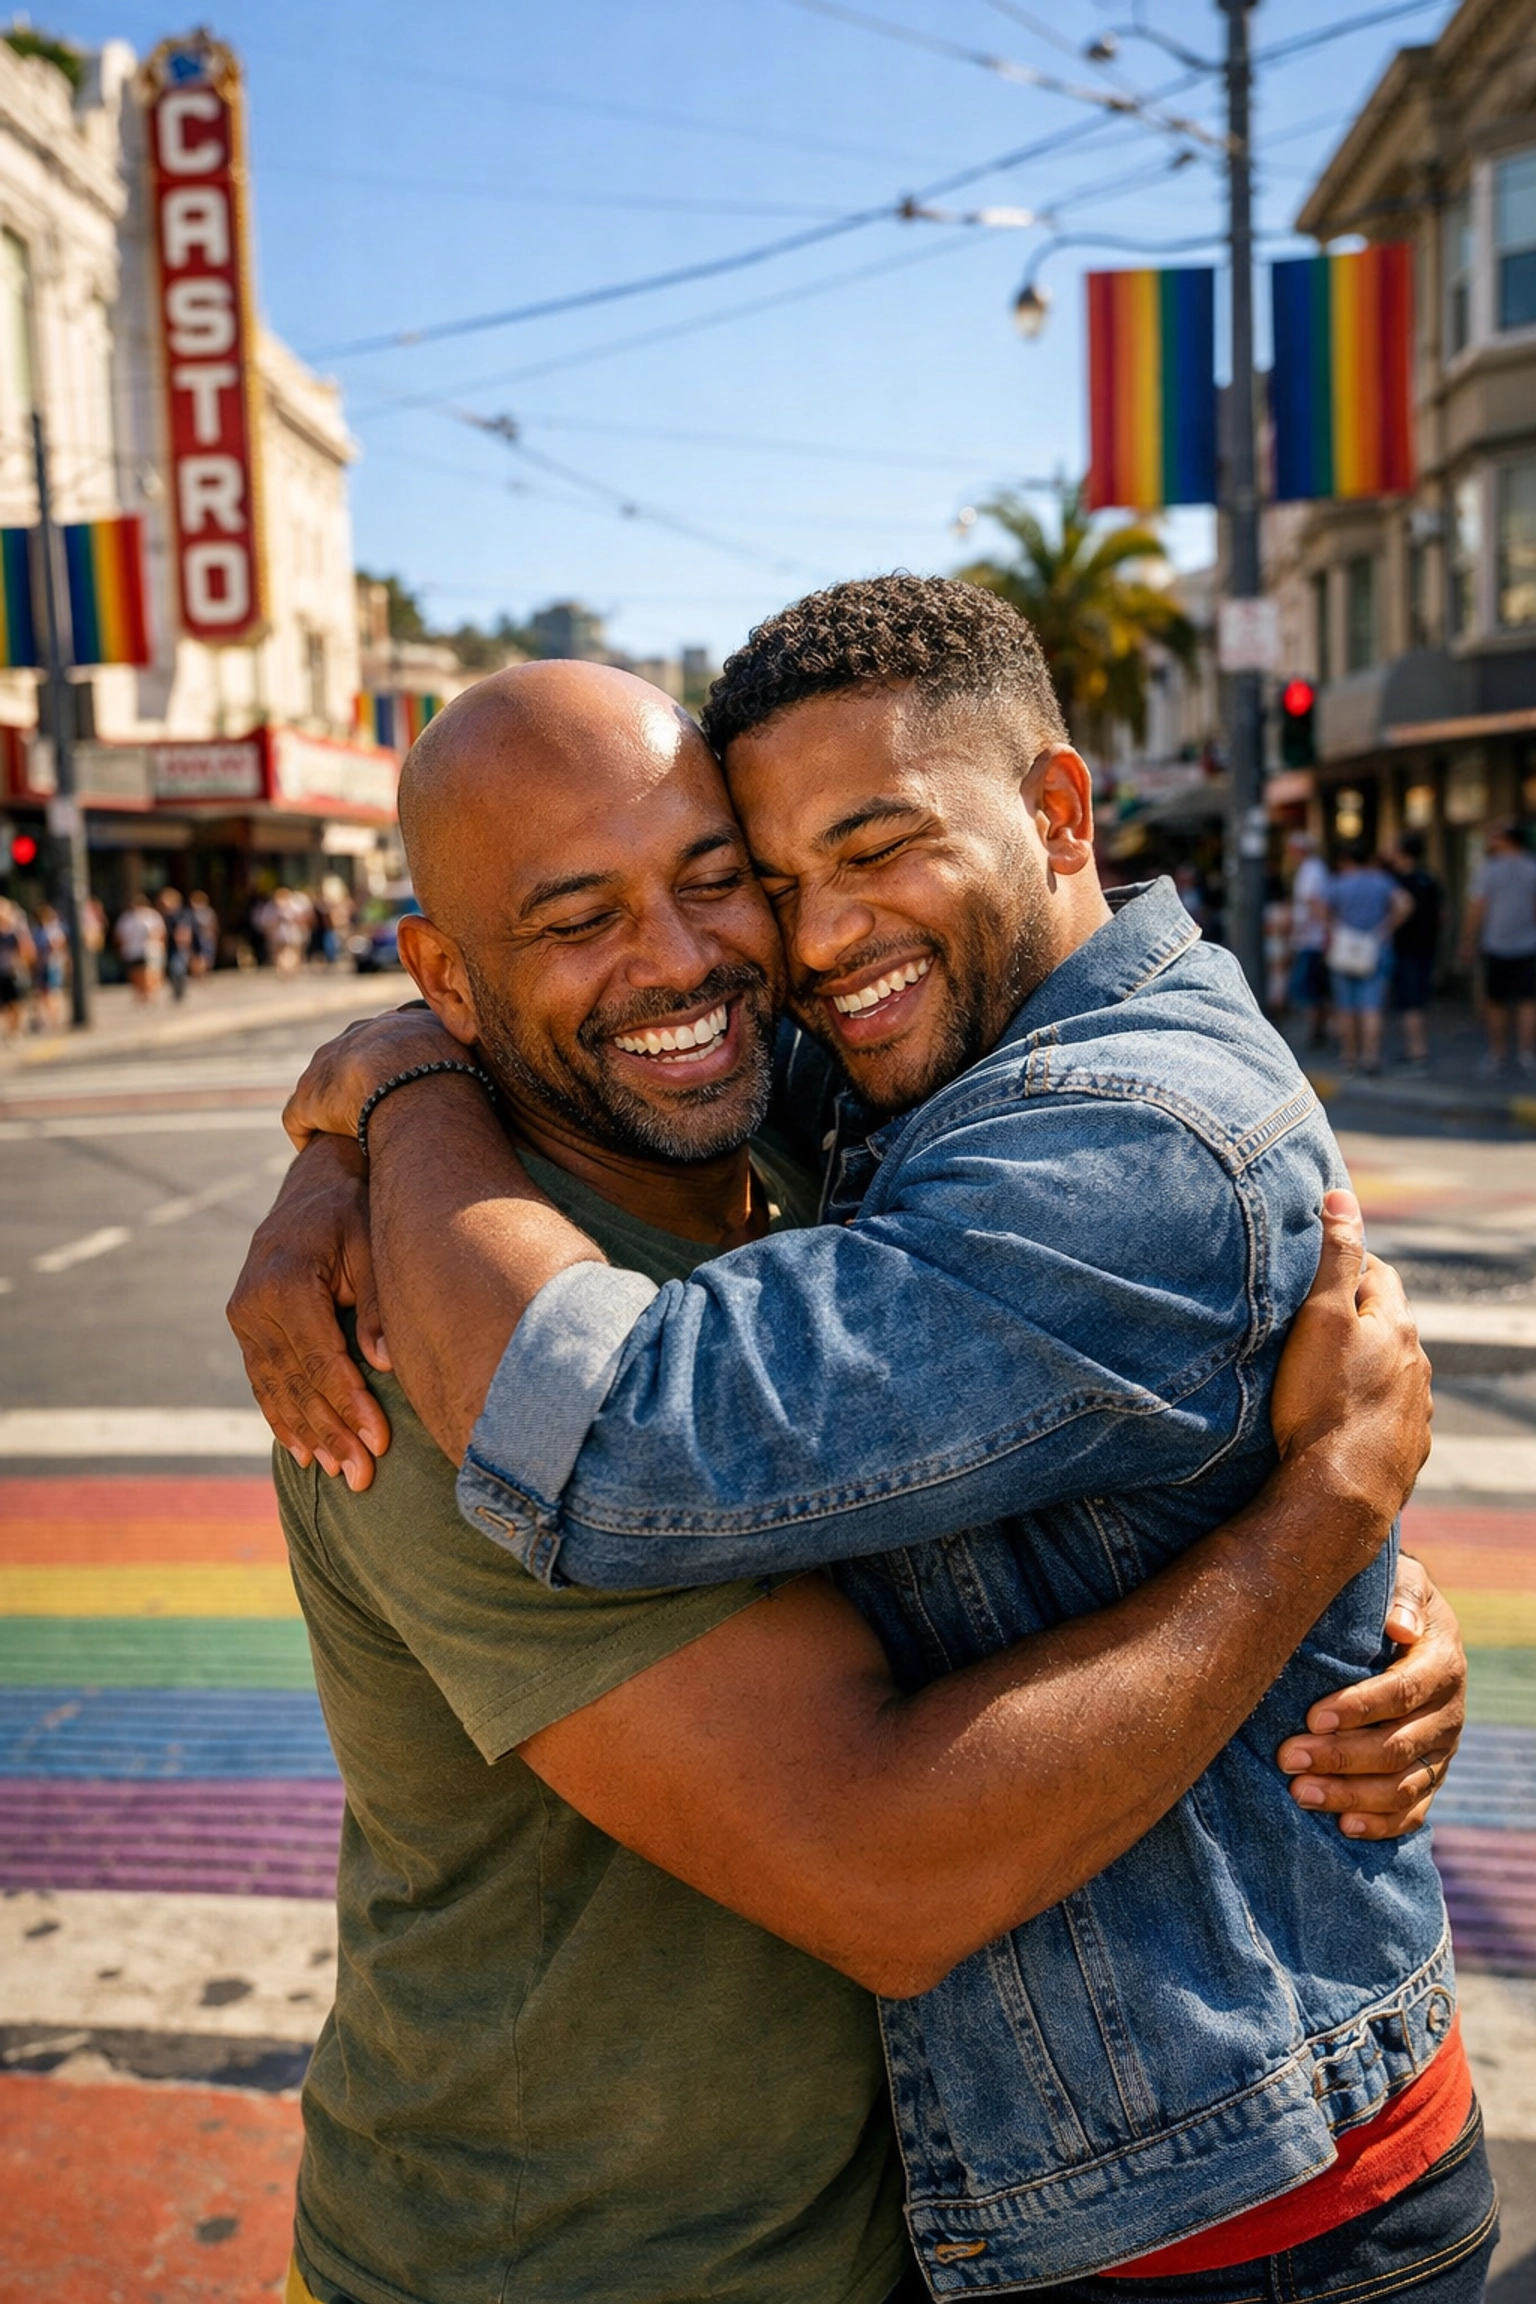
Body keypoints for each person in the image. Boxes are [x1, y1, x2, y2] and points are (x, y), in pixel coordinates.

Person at [247, 589, 1486, 2299]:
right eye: (575, 918)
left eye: (711, 876)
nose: (740, 949)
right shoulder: (410, 1356)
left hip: (1145, 2206)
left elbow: (684, 1432)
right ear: (450, 971)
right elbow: (889, 1864)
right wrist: (1317, 1529)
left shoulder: (942, 1145)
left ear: (1056, 813)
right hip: (555, 2261)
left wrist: (1353, 1573)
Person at [1325, 842, 1410, 1076]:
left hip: (1344, 946)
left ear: (1345, 861)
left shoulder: (1338, 883)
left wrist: (1334, 926)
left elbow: (1318, 906)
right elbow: (1404, 903)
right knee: (1371, 1006)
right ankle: (1370, 1057)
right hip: (1375, 946)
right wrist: (1386, 928)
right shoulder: (1381, 881)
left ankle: (1349, 1057)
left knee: (1346, 1007)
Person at [1461, 819, 1536, 1077]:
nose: (1491, 841)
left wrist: (1468, 940)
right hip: (1528, 943)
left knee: (1496, 1002)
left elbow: (1477, 908)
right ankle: (1526, 1054)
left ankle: (1498, 1053)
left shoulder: (1488, 869)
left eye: (1496, 836)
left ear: (1507, 840)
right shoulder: (1532, 867)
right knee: (1528, 1001)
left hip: (1497, 943)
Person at [1389, 833, 1443, 1071]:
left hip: (1406, 947)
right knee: (1419, 998)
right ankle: (1420, 1047)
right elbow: (1443, 915)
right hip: (1427, 946)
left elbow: (1403, 908)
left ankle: (1417, 1051)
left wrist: (1383, 931)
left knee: (1409, 1001)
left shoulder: (1398, 881)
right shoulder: (1429, 878)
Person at [1286, 829, 1332, 1046]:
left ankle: (1317, 1030)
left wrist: (1300, 932)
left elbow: (1313, 903)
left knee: (1306, 987)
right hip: (1313, 937)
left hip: (1310, 939)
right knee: (1315, 987)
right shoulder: (1315, 869)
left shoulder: (1310, 870)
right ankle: (1319, 1029)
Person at [114, 893, 166, 1002]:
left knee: (149, 972)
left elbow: (160, 932)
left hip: (149, 950)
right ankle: (142, 993)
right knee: (136, 973)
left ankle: (149, 993)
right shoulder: (126, 918)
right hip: (132, 951)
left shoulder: (152, 916)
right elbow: (119, 935)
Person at [29, 903, 69, 1031]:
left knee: (52, 991)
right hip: (42, 964)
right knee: (44, 992)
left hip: (52, 964)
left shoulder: (53, 928)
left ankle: (54, 1018)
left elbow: (58, 944)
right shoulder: (38, 930)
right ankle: (50, 1018)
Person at [0, 898, 34, 1040]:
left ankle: (15, 1031)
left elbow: (27, 950)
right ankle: (10, 1029)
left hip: (13, 972)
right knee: (6, 1005)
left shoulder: (15, 931)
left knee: (16, 1003)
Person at [158, 888, 194, 1002]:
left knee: (177, 968)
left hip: (178, 947)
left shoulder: (182, 915)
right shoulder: (165, 916)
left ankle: (179, 992)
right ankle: (177, 992)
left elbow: (184, 932)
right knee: (174, 968)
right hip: (169, 946)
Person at [187, 889, 219, 976]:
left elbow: (213, 925)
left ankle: (203, 972)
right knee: (197, 956)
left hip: (206, 937)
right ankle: (198, 973)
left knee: (206, 956)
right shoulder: (191, 913)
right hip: (196, 937)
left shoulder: (207, 912)